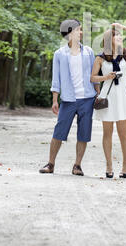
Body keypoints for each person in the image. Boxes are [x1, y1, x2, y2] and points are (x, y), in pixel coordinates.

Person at [39, 19, 100, 176]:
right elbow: (56, 79)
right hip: (68, 99)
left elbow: (94, 75)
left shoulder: (88, 52)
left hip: (87, 98)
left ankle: (77, 165)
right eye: (79, 30)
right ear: (71, 32)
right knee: (59, 131)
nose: (81, 32)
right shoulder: (59, 54)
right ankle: (51, 163)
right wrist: (54, 100)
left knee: (84, 133)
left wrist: (98, 93)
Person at [91, 23, 126, 178]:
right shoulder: (100, 58)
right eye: (117, 35)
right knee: (107, 133)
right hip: (108, 95)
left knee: (123, 133)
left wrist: (122, 27)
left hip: (123, 96)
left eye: (120, 35)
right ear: (109, 40)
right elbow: (92, 78)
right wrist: (106, 77)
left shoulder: (125, 53)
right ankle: (109, 165)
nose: (120, 37)